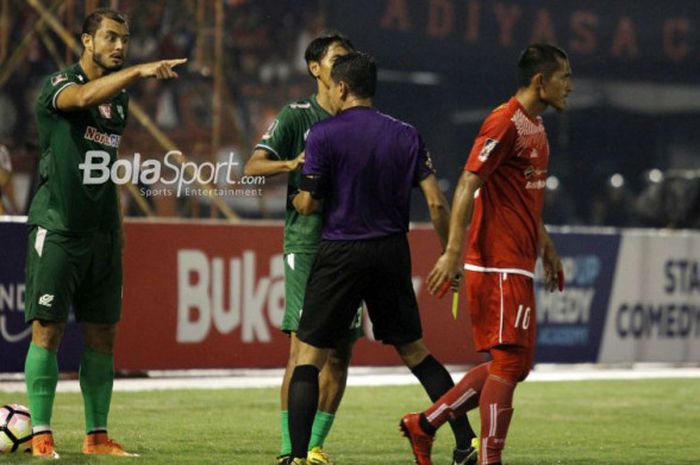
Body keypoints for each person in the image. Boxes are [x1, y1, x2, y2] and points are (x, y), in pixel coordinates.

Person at [288, 51, 477, 465]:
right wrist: (450, 254)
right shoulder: (406, 134)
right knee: (415, 351)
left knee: (309, 355)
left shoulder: (324, 134)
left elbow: (311, 202)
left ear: (340, 87)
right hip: (391, 251)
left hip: (340, 250)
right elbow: (437, 204)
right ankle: (467, 443)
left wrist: (300, 199)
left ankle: (297, 457)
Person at [24, 8, 186, 459]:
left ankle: (96, 437)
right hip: (58, 227)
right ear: (86, 41)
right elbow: (79, 99)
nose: (119, 46)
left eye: (125, 40)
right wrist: (137, 72)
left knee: (102, 337)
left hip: (102, 235)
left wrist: (117, 225)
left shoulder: (120, 101)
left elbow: (105, 167)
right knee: (48, 331)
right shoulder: (58, 85)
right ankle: (41, 435)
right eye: (111, 38)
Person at [400, 43, 573, 465]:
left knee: (514, 364)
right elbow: (467, 182)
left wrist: (545, 246)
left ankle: (423, 426)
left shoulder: (536, 126)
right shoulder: (504, 121)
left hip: (517, 260)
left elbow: (523, 197)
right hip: (494, 261)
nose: (570, 85)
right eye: (564, 77)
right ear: (540, 81)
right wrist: (453, 251)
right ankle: (488, 458)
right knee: (509, 363)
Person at [244, 33, 360, 465]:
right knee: (304, 350)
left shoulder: (360, 118)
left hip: (351, 245)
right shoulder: (296, 117)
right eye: (337, 58)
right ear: (315, 68)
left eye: (349, 58)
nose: (344, 64)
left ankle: (314, 446)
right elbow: (253, 166)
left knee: (342, 353)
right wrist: (292, 164)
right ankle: (289, 449)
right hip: (307, 243)